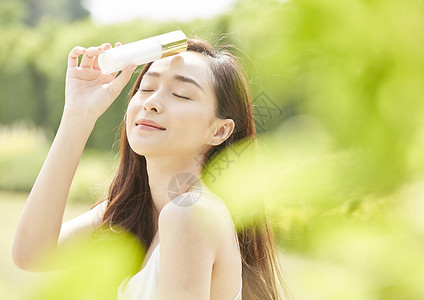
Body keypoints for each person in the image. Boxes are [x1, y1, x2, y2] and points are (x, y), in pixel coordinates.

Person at [13, 36, 288, 299]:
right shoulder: (137, 212)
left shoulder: (191, 213)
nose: (152, 102)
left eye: (181, 94)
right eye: (146, 88)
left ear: (219, 131)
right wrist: (78, 115)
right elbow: (32, 253)